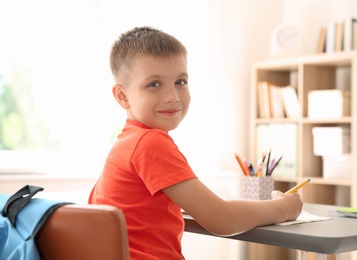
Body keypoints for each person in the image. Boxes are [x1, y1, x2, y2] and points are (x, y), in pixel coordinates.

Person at [88, 26, 303, 260]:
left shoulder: (127, 142)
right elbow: (223, 220)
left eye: (180, 81)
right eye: (154, 84)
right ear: (122, 96)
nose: (173, 96)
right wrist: (285, 208)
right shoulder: (149, 143)